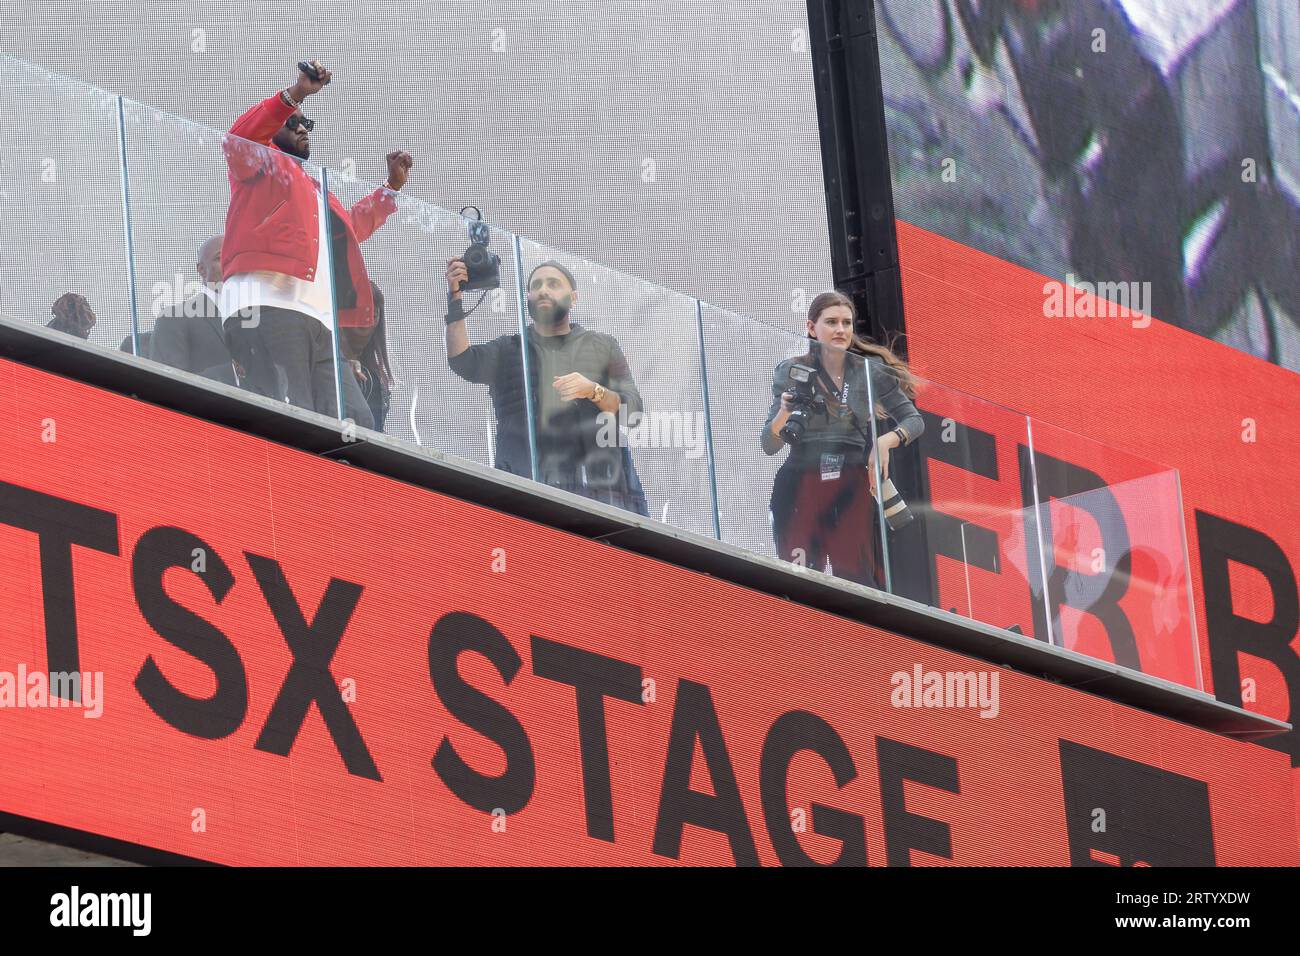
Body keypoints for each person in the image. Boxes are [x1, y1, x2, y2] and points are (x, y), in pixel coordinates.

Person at [219, 59, 413, 429]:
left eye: (307, 123)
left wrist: (390, 190)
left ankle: (340, 486)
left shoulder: (313, 188)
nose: (303, 127)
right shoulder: (259, 166)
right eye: (293, 123)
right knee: (294, 415)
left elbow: (352, 227)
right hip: (268, 304)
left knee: (354, 421)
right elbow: (239, 139)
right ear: (274, 132)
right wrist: (295, 96)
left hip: (318, 317)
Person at [444, 258, 649, 516]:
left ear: (573, 297)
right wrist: (455, 298)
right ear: (527, 298)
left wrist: (593, 390)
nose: (543, 290)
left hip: (601, 494)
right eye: (536, 285)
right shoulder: (509, 349)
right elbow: (461, 360)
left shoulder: (602, 346)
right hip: (525, 488)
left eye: (553, 284)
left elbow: (633, 412)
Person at [762, 291, 924, 587]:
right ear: (812, 328)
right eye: (832, 322)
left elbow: (914, 420)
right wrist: (784, 413)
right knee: (798, 582)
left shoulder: (868, 371)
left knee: (856, 581)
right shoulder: (792, 370)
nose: (841, 330)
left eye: (847, 323)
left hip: (850, 485)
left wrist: (885, 442)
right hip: (800, 482)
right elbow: (769, 444)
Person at [147, 235, 238, 382]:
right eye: (220, 258)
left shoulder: (258, 316)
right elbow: (167, 384)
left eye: (235, 257)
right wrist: (234, 372)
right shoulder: (173, 318)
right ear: (201, 269)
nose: (231, 264)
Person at [340, 281, 395, 432]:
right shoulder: (326, 365)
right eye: (358, 312)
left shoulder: (376, 374)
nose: (366, 321)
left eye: (373, 314)